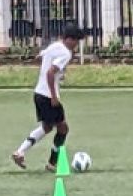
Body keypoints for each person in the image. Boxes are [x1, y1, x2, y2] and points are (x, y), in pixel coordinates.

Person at [11, 23, 85, 172]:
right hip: (47, 95)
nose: (76, 45)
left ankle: (20, 152)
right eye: (76, 41)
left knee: (47, 127)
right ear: (69, 39)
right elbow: (50, 72)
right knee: (63, 128)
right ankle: (52, 163)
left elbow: (41, 55)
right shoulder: (65, 53)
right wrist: (53, 95)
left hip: (38, 93)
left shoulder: (55, 45)